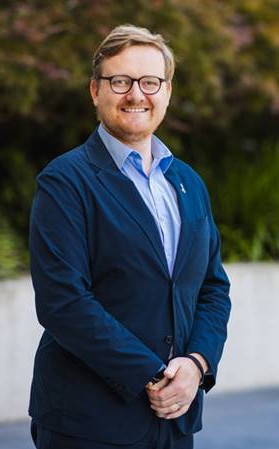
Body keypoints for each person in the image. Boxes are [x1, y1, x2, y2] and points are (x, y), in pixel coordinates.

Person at [28, 24, 231, 449]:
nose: (136, 94)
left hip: (175, 418)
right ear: (94, 90)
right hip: (89, 422)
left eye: (150, 82)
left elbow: (212, 287)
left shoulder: (188, 183)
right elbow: (63, 301)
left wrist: (196, 364)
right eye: (120, 81)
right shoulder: (65, 180)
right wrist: (152, 375)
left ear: (168, 92)